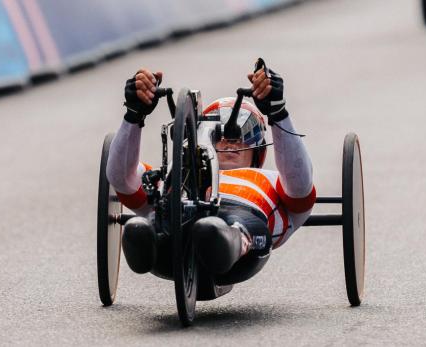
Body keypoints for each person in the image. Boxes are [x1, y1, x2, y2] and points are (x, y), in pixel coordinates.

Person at [106, 61, 315, 283]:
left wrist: (277, 112)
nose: (228, 140)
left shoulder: (273, 180)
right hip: (172, 229)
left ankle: (228, 240)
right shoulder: (172, 175)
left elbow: (301, 188)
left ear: (258, 152)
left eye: (244, 132)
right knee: (144, 226)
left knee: (221, 228)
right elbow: (121, 178)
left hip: (242, 227)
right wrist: (133, 115)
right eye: (218, 133)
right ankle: (147, 237)